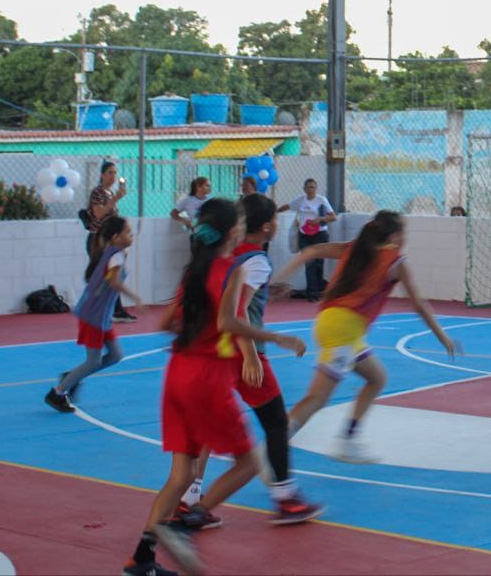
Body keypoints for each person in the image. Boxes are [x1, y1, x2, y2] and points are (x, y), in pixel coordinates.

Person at [121, 199, 307, 576]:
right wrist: (276, 337)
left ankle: (141, 558)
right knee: (250, 462)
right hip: (206, 378)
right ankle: (183, 525)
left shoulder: (193, 272)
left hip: (177, 373)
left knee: (181, 476)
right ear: (234, 231)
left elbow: (167, 323)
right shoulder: (230, 271)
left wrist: (198, 325)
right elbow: (230, 322)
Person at [174, 194, 322, 528]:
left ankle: (189, 498)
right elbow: (239, 309)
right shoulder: (257, 260)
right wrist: (252, 356)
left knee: (210, 427)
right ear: (268, 226)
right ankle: (286, 497)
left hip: (214, 352)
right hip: (243, 351)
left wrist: (271, 291)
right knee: (275, 423)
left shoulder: (221, 256)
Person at [276, 211, 457, 464]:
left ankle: (348, 440)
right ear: (394, 236)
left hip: (334, 323)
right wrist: (442, 337)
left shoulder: (354, 248)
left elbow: (311, 251)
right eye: (404, 233)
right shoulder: (394, 260)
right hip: (344, 330)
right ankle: (274, 447)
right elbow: (419, 304)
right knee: (316, 398)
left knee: (377, 378)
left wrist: (278, 279)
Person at [45, 216, 141, 413]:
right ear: (115, 237)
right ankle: (58, 392)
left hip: (101, 315)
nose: (131, 235)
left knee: (115, 355)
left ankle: (72, 377)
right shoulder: (115, 256)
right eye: (128, 232)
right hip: (94, 315)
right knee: (93, 361)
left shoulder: (114, 251)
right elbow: (114, 282)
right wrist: (135, 297)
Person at [87, 161, 134, 323]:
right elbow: (99, 214)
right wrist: (115, 198)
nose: (113, 176)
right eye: (109, 173)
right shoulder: (98, 192)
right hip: (99, 240)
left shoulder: (108, 193)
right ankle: (103, 308)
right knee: (104, 276)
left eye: (115, 173)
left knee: (113, 274)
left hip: (110, 241)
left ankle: (114, 309)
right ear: (102, 175)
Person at [278, 179, 337, 302]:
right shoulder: (301, 200)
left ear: (316, 189)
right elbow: (288, 206)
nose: (311, 190)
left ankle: (318, 290)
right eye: (309, 187)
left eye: (313, 187)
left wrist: (320, 220)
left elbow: (333, 217)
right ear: (304, 189)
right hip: (305, 235)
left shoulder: (322, 200)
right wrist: (275, 211)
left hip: (320, 234)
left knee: (319, 264)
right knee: (309, 263)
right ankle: (312, 294)